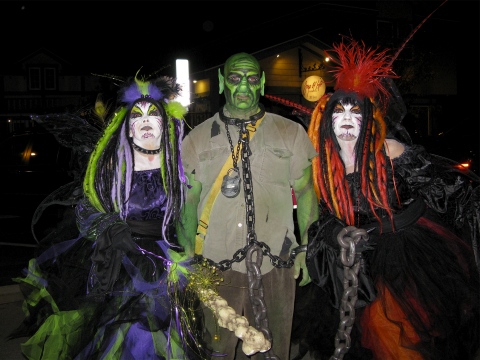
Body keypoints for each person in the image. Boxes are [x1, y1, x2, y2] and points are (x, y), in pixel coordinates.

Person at [294, 38, 480, 359]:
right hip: (359, 261)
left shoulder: (390, 151)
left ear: (369, 119)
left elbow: (443, 187)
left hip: (407, 258)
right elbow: (323, 215)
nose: (348, 118)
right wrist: (335, 233)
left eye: (357, 111)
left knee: (396, 337)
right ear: (327, 120)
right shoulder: (325, 165)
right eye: (340, 111)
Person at [9, 74, 207, 359]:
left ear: (167, 123)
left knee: (165, 338)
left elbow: (182, 221)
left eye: (154, 113)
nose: (146, 120)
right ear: (126, 128)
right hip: (120, 264)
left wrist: (188, 257)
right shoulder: (112, 167)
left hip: (165, 260)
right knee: (126, 337)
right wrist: (111, 227)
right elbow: (86, 210)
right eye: (137, 115)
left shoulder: (177, 169)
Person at [178, 52, 319, 359]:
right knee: (216, 352)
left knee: (275, 352)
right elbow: (187, 205)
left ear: (262, 83)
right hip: (214, 269)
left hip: (276, 267)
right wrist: (187, 259)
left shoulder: (291, 133)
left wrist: (307, 247)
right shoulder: (196, 140)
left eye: (252, 78)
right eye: (234, 77)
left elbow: (307, 192)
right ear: (221, 82)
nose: (243, 85)